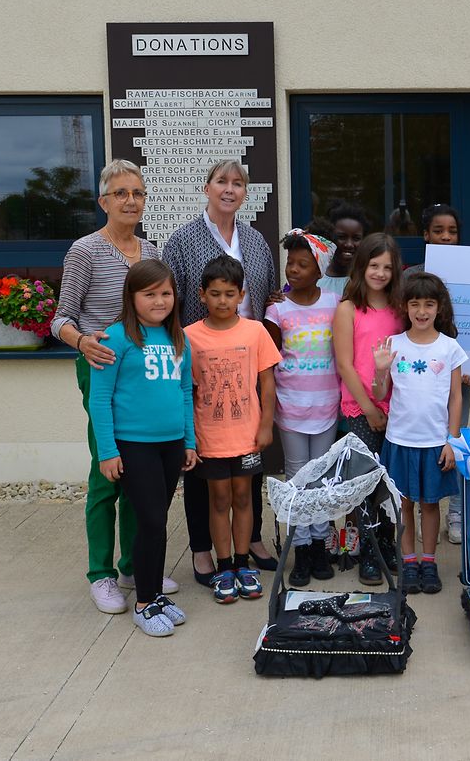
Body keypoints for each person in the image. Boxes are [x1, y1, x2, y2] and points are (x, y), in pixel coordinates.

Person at [51, 159, 179, 615]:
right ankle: (101, 574)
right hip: (103, 368)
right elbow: (59, 318)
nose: (131, 201)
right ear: (103, 201)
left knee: (140, 477)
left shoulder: (149, 249)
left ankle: (133, 565)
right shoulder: (85, 250)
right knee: (108, 470)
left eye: (138, 193)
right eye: (121, 193)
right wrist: (84, 342)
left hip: (148, 372)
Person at [162, 159, 278, 586]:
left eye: (238, 183)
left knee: (248, 472)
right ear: (207, 187)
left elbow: (268, 294)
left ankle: (251, 544)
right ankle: (202, 549)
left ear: (245, 192)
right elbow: (167, 299)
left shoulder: (254, 240)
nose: (229, 189)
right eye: (221, 182)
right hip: (202, 362)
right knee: (204, 468)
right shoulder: (183, 240)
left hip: (248, 354)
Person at [89, 260, 197, 637]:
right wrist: (107, 451)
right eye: (149, 294)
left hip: (170, 446)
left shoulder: (178, 338)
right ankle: (144, 603)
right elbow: (100, 400)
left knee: (158, 521)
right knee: (150, 521)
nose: (159, 301)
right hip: (134, 446)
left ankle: (153, 594)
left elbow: (185, 392)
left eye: (165, 293)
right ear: (131, 297)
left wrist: (189, 441)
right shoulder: (116, 338)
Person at [184, 256, 281, 605]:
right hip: (210, 436)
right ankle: (223, 566)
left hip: (247, 435)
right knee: (219, 499)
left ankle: (243, 564)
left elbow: (267, 384)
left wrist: (266, 424)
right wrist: (189, 437)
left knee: (244, 497)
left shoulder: (255, 331)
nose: (222, 301)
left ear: (241, 295)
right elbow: (187, 390)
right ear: (201, 295)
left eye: (229, 294)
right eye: (215, 294)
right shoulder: (189, 337)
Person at [373, 273, 467, 594]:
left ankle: (429, 562)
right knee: (404, 505)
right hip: (399, 441)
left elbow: (456, 398)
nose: (422, 311)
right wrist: (380, 369)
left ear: (439, 308)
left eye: (429, 304)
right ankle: (408, 562)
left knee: (430, 505)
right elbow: (380, 391)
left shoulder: (450, 347)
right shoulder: (394, 344)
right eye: (415, 304)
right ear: (405, 307)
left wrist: (452, 441)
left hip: (434, 443)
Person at [264, 229, 341, 587]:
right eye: (290, 263)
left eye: (302, 264)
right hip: (291, 407)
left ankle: (321, 545)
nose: (293, 269)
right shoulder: (277, 308)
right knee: (297, 478)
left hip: (326, 405)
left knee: (323, 476)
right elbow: (270, 356)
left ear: (319, 270)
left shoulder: (334, 305)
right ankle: (301, 547)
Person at [332, 233, 406, 585]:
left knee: (391, 481)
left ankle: (389, 543)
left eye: (387, 267)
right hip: (360, 408)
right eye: (374, 265)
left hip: (398, 407)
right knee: (365, 482)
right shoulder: (348, 309)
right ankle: (369, 550)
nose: (380, 273)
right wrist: (369, 408)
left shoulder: (400, 309)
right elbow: (345, 364)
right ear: (361, 266)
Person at [401, 204, 470, 543]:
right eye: (438, 230)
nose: (446, 237)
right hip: (418, 380)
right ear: (425, 235)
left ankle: (456, 512)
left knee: (452, 444)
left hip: (455, 372)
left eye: (452, 231)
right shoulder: (411, 276)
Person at [318, 200, 370, 295]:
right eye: (341, 237)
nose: (349, 244)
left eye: (356, 238)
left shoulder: (369, 279)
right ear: (330, 237)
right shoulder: (315, 277)